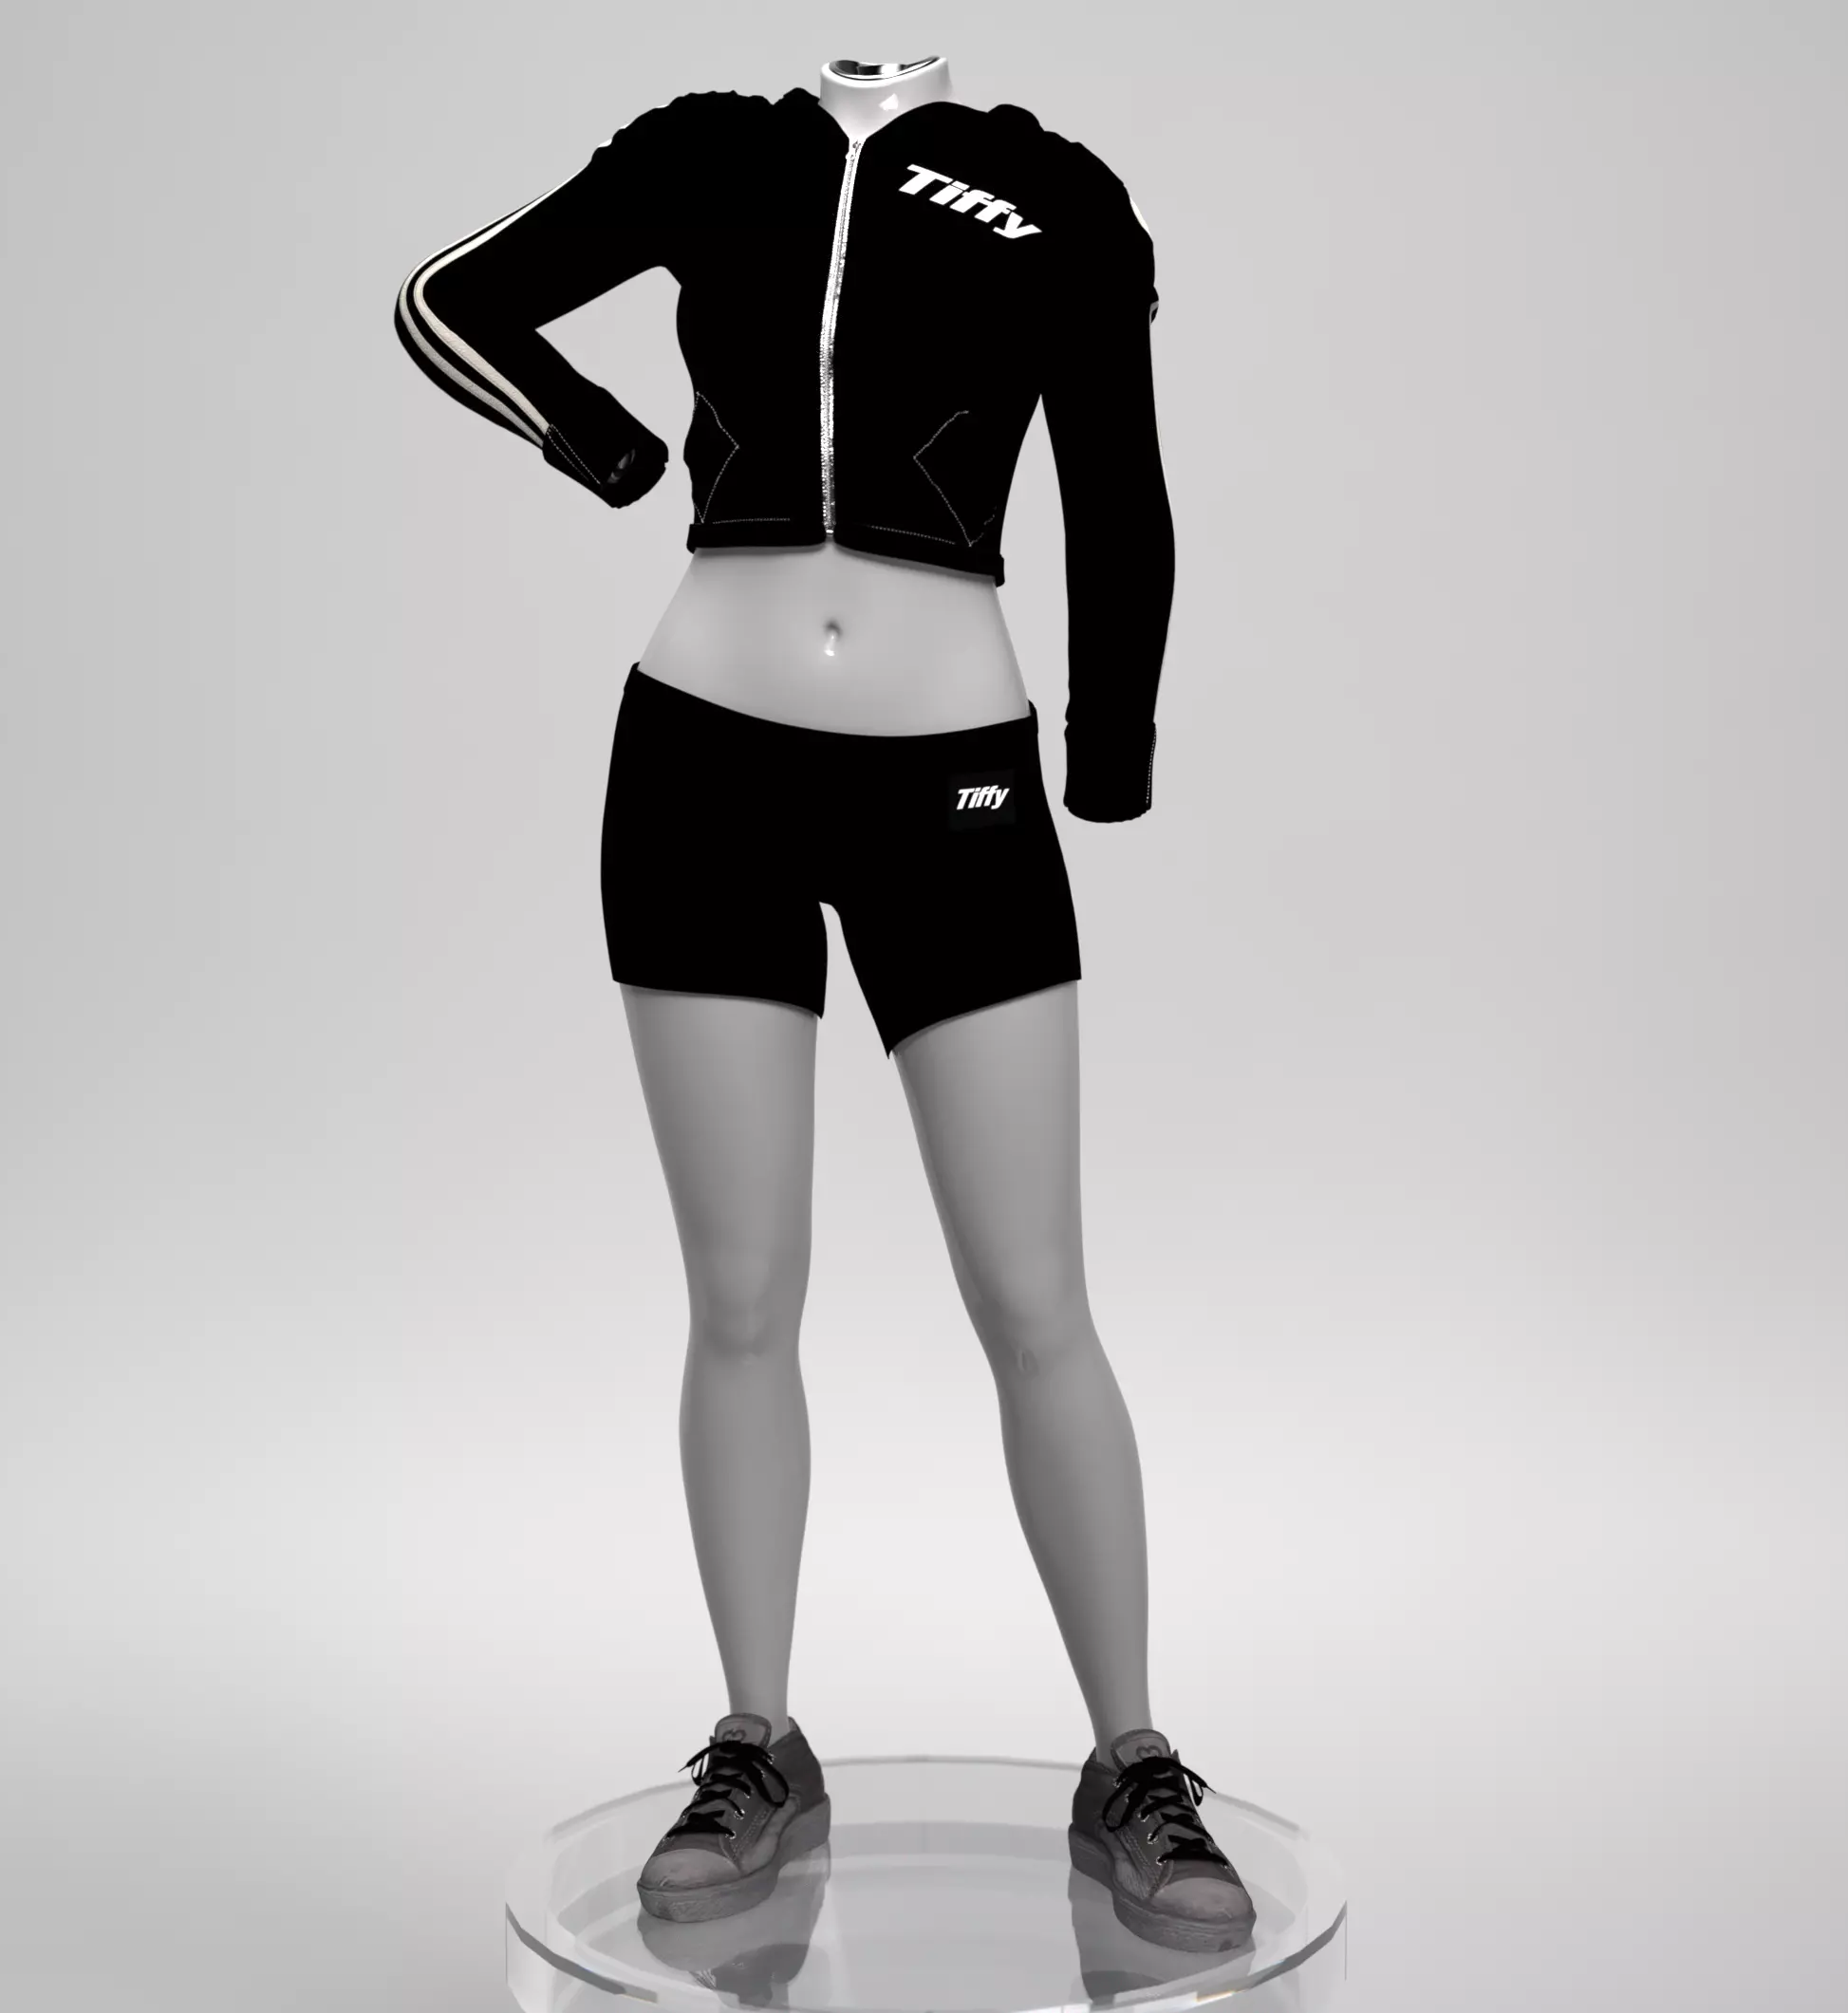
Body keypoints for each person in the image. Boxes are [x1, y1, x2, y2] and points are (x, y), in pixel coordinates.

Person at [394, 53, 1255, 1955]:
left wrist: (1106, 755)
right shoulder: (710, 153)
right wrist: (611, 451)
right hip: (698, 757)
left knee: (1034, 1294)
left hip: (954, 777)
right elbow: (449, 302)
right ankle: (757, 1744)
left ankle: (1133, 1760)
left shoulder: (1053, 191)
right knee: (740, 1292)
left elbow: (1117, 485)